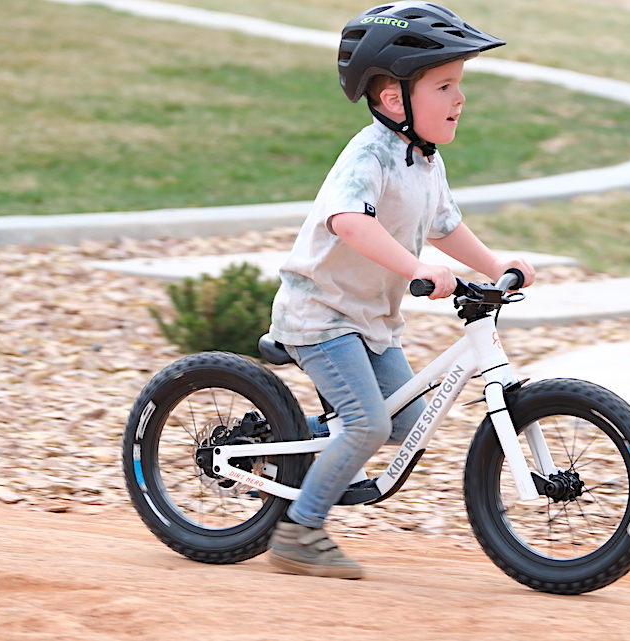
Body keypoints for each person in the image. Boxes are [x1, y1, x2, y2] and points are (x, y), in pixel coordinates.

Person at [266, 1, 536, 579]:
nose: (460, 98)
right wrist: (418, 268)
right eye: (445, 86)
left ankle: (293, 448)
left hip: (370, 320)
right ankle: (299, 533)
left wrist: (493, 263)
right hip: (322, 314)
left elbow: (445, 225)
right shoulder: (368, 155)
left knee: (406, 421)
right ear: (394, 101)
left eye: (458, 84)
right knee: (368, 424)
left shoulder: (425, 160)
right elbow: (349, 222)